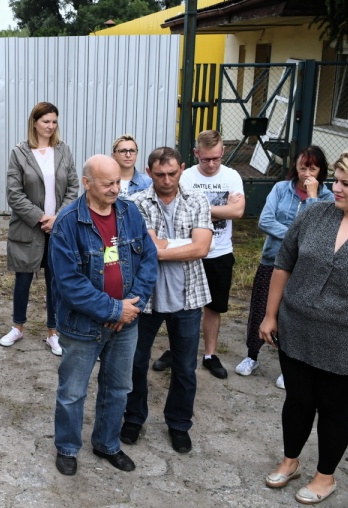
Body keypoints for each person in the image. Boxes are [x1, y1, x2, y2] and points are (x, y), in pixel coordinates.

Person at [259, 147, 348, 505]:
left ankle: (325, 476)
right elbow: (283, 264)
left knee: (334, 410)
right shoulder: (315, 214)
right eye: (336, 180)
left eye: (347, 183)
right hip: (296, 331)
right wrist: (270, 316)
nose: (336, 187)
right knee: (298, 401)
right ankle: (290, 461)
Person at [50, 155, 158, 477]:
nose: (116, 188)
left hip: (126, 323)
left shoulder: (129, 212)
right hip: (82, 325)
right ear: (87, 183)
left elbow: (149, 261)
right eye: (108, 183)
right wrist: (114, 309)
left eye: (118, 182)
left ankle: (107, 443)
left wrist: (130, 307)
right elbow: (69, 283)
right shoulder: (67, 223)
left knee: (118, 388)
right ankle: (67, 447)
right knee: (72, 391)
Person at [122, 147, 213, 454]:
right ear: (148, 172)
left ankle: (179, 424)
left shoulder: (197, 200)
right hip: (145, 297)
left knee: (185, 367)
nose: (166, 180)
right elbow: (147, 247)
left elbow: (201, 248)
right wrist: (181, 244)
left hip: (189, 296)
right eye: (159, 174)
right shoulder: (135, 203)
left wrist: (162, 249)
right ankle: (133, 417)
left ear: (182, 169)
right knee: (136, 362)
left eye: (172, 173)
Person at [236, 146, 333, 389]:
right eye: (302, 166)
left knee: (292, 316)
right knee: (261, 309)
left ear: (321, 170)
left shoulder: (328, 198)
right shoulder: (281, 188)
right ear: (295, 166)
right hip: (273, 260)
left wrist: (312, 198)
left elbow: (319, 232)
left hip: (305, 268)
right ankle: (252, 356)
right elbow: (265, 221)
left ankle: (287, 367)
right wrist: (296, 236)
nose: (306, 172)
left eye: (312, 168)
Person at [0, 102, 79, 356]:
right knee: (23, 279)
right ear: (34, 122)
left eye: (54, 122)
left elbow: (74, 187)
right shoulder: (19, 153)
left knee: (55, 281)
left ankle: (53, 333)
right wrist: (40, 217)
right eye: (46, 121)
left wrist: (58, 218)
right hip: (29, 228)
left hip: (58, 228)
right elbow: (14, 194)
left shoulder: (63, 150)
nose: (50, 126)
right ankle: (17, 327)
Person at [176, 130, 245, 379]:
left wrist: (202, 210)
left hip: (220, 252)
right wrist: (222, 209)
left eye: (216, 158)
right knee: (182, 305)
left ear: (222, 152)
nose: (212, 163)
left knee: (214, 306)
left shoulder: (232, 176)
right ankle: (178, 351)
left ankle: (209, 354)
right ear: (196, 154)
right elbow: (181, 213)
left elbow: (238, 212)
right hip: (190, 250)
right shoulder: (185, 177)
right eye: (206, 159)